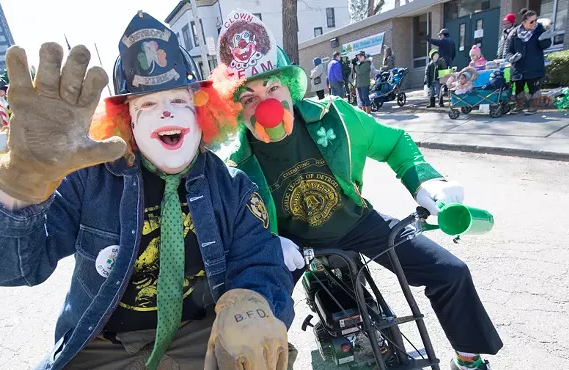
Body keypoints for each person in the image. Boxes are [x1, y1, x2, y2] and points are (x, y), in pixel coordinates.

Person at [0, 12, 296, 370]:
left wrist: (252, 304)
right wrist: (17, 190)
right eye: (148, 105)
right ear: (129, 124)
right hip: (102, 343)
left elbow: (260, 260)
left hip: (198, 336)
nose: (166, 114)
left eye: (178, 101)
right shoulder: (85, 180)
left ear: (203, 115)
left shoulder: (230, 187)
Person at [210, 10, 502, 370]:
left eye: (273, 88)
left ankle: (468, 358)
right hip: (291, 246)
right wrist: (267, 242)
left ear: (289, 87)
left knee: (450, 271)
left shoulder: (337, 117)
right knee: (254, 320)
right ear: (235, 110)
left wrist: (426, 182)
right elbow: (232, 222)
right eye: (249, 98)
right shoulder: (233, 162)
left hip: (359, 222)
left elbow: (395, 143)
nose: (266, 104)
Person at [506, 8, 554, 115]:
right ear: (524, 22)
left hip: (534, 65)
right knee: (519, 87)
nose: (534, 23)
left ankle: (533, 106)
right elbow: (509, 50)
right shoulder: (515, 34)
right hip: (518, 66)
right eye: (531, 21)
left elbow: (545, 45)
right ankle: (519, 105)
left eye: (536, 20)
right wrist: (511, 57)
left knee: (533, 87)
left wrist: (544, 39)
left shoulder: (539, 31)